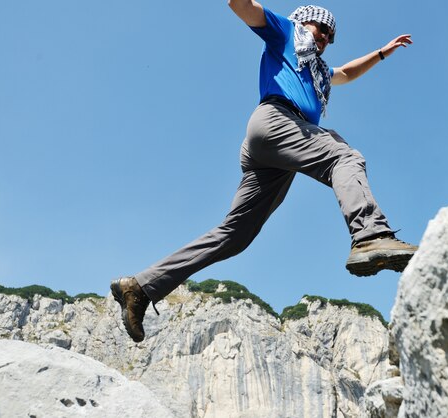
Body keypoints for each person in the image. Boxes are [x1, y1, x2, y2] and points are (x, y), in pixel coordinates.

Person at [111, 1, 418, 343]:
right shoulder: (285, 32)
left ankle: (140, 287)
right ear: (304, 23)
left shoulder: (315, 70)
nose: (326, 39)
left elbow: (345, 73)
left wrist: (381, 53)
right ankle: (371, 236)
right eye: (322, 30)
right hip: (276, 122)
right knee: (343, 157)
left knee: (235, 235)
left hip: (277, 148)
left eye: (331, 37)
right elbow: (241, 6)